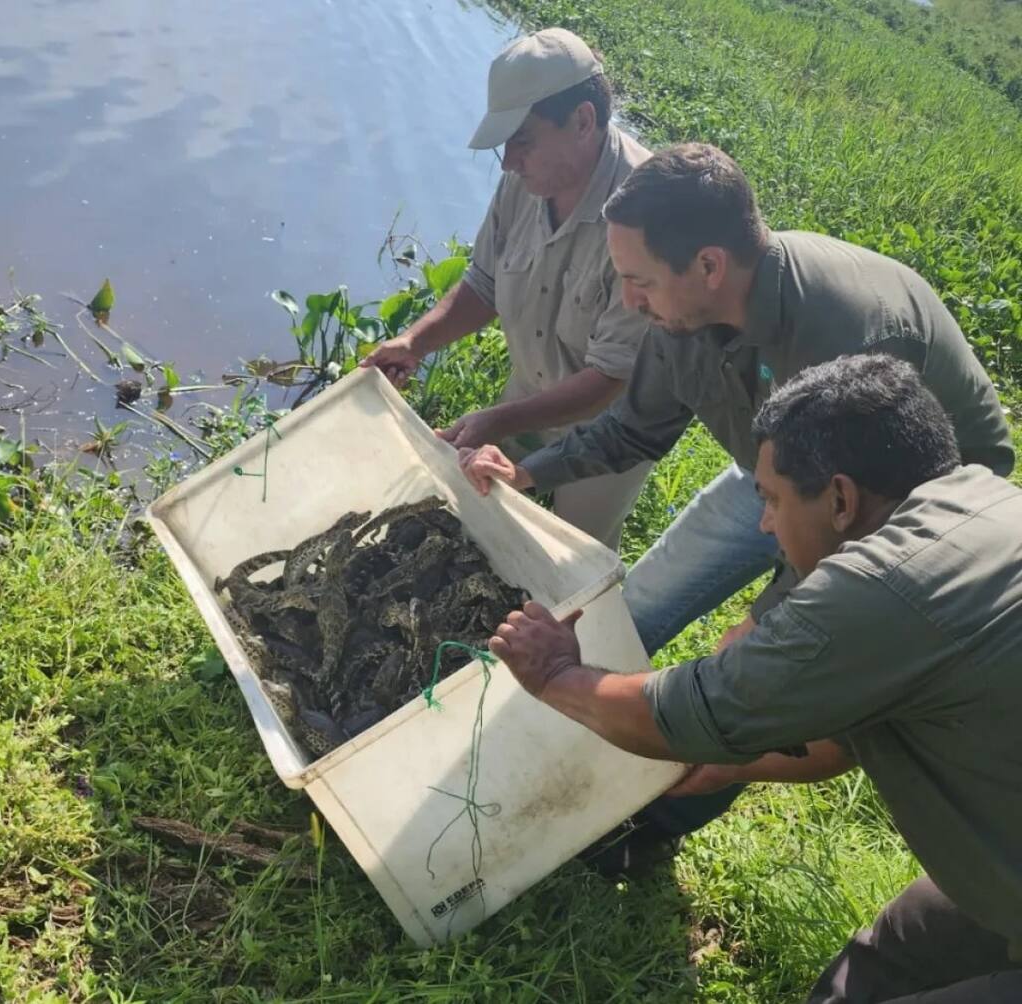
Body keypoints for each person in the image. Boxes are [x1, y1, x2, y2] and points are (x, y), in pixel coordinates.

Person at [458, 142, 1014, 861]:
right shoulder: (679, 316)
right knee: (634, 608)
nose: (628, 301)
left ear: (709, 266)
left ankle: (648, 830)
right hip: (781, 474)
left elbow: (850, 517)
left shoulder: (853, 337)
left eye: (639, 281)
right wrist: (528, 472)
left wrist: (764, 626)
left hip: (901, 514)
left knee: (756, 683)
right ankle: (579, 761)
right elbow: (634, 427)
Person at [489, 354, 1022, 1002]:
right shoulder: (979, 499)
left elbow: (689, 714)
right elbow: (840, 743)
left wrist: (555, 674)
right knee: (879, 964)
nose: (765, 523)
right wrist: (733, 766)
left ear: (841, 500)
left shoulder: (880, 586)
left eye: (771, 499)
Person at [361, 27, 654, 549]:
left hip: (608, 429)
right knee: (468, 516)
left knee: (571, 552)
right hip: (528, 389)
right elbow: (484, 284)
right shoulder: (525, 180)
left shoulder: (644, 214)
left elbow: (609, 377)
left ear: (582, 121)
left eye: (523, 141)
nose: (508, 162)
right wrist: (414, 341)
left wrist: (497, 421)